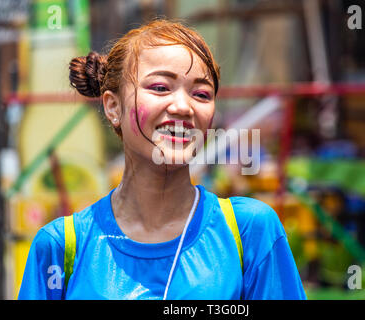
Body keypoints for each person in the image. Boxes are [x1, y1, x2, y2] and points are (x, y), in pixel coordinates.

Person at [18, 19, 306, 300]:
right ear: (113, 106)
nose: (183, 107)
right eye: (160, 88)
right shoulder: (61, 248)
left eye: (201, 94)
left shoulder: (249, 231)